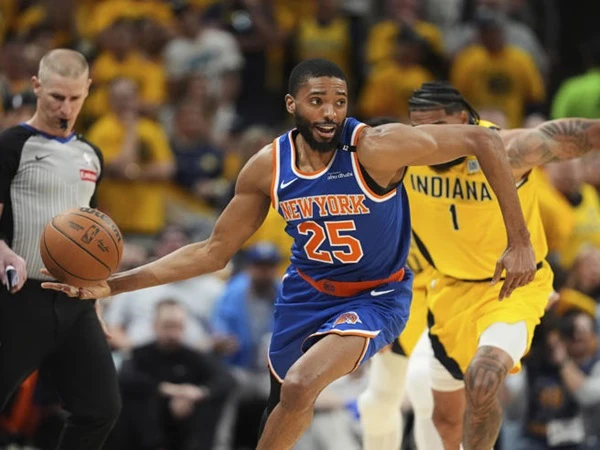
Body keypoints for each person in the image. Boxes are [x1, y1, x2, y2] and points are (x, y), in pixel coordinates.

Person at [43, 58, 538, 450]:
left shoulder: (376, 147)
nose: (330, 113)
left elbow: (482, 139)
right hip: (304, 294)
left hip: (376, 296)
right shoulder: (267, 167)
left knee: (302, 384)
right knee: (282, 401)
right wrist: (114, 284)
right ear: (292, 103)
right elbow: (213, 252)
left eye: (339, 102)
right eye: (317, 101)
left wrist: (519, 242)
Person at [358, 82, 600, 450]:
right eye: (420, 128)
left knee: (483, 376)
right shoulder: (407, 155)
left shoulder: (506, 150)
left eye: (439, 127)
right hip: (447, 289)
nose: (431, 139)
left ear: (464, 120)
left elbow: (570, 136)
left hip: (510, 288)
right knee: (441, 418)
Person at [0, 49, 121, 449]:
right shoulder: (12, 144)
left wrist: (96, 298)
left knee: (101, 409)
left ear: (88, 90)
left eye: (74, 98)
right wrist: (3, 251)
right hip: (18, 297)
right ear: (36, 86)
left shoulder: (91, 155)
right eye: (56, 97)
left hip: (74, 300)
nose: (65, 108)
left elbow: (90, 231)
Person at [118, 299, 235, 450]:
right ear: (155, 326)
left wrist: (199, 393)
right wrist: (167, 389)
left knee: (214, 397)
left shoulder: (193, 357)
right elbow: (125, 378)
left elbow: (226, 379)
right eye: (167, 326)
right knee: (137, 395)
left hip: (186, 425)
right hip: (145, 431)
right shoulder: (140, 355)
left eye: (178, 327)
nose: (173, 334)